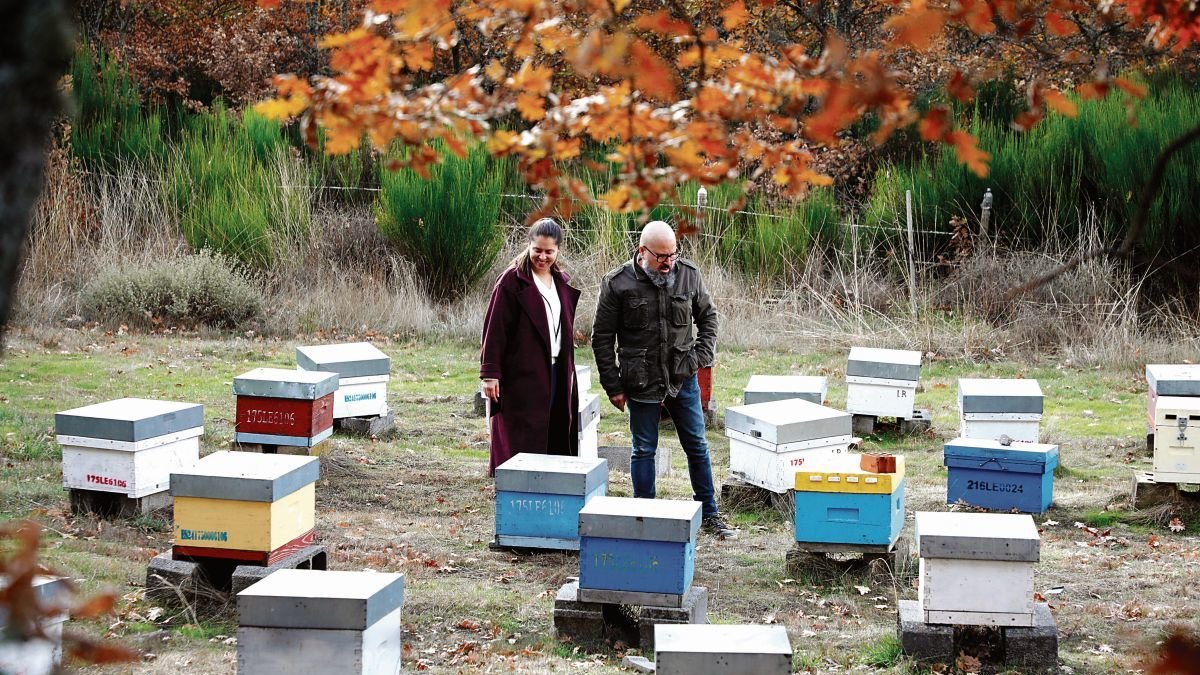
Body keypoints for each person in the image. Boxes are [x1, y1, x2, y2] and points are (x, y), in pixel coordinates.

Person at [592, 221, 737, 539]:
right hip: (641, 380)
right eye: (661, 256)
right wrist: (613, 386)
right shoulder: (617, 283)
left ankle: (710, 514)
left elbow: (709, 317)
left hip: (683, 377)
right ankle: (644, 516)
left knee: (697, 446)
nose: (668, 261)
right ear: (642, 252)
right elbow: (602, 338)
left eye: (673, 254)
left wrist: (700, 358)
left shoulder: (689, 275)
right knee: (643, 449)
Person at [480, 218, 581, 475]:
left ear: (558, 250)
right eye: (537, 250)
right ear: (529, 245)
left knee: (554, 425)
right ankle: (517, 480)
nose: (542, 257)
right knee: (522, 429)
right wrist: (490, 374)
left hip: (557, 370)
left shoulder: (560, 282)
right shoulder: (511, 282)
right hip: (522, 372)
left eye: (549, 251)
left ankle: (550, 480)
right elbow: (495, 329)